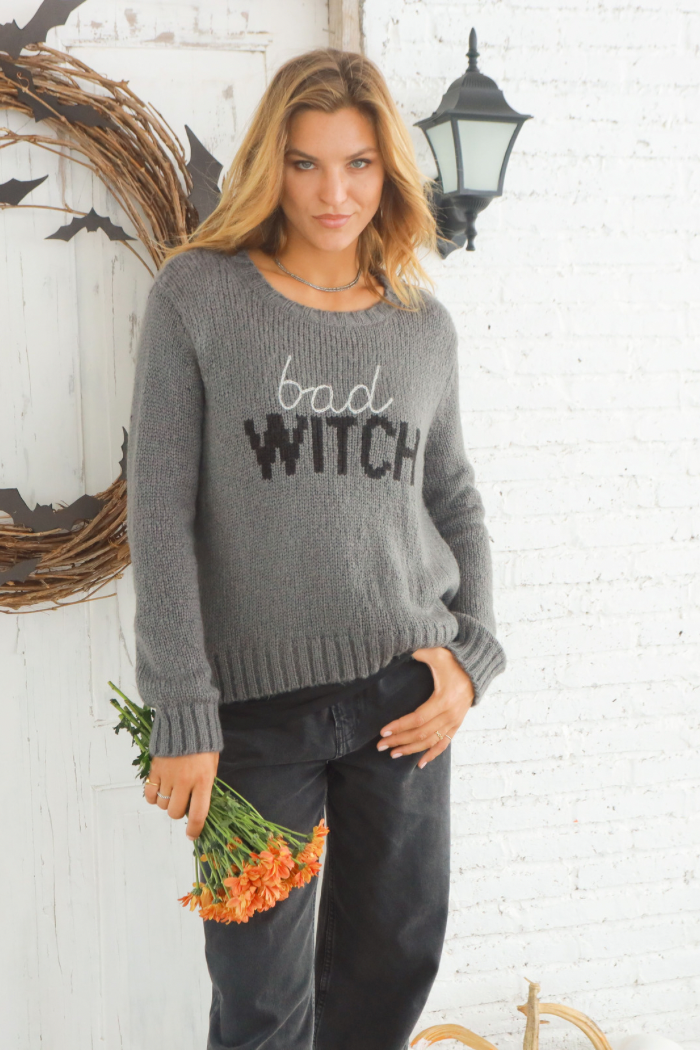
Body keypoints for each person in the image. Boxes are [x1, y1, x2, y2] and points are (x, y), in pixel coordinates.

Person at [126, 47, 506, 1050]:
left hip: (402, 698)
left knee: (390, 973)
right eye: (306, 163)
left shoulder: (421, 328)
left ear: (388, 172)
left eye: (358, 164)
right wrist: (182, 706)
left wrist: (472, 656)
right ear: (272, 165)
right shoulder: (198, 296)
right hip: (253, 717)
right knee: (259, 1004)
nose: (333, 193)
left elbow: (453, 495)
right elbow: (159, 511)